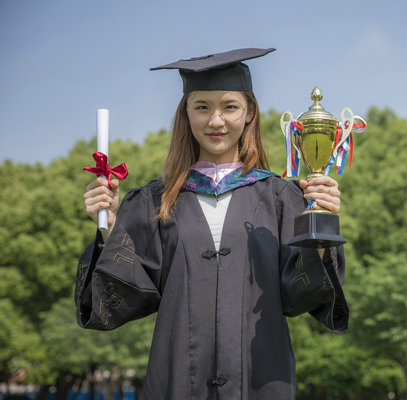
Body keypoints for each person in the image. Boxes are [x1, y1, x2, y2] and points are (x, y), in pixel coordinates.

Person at [75, 48, 348, 400]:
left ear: (249, 113)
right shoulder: (154, 202)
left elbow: (300, 296)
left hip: (261, 379)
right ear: (185, 115)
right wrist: (109, 228)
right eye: (202, 106)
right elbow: (125, 296)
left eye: (229, 106)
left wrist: (320, 228)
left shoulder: (283, 198)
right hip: (177, 379)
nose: (216, 120)